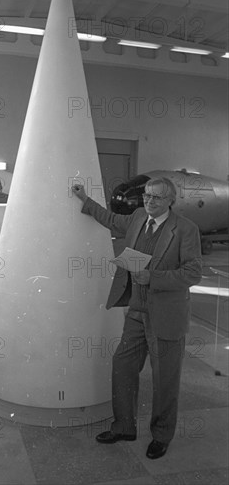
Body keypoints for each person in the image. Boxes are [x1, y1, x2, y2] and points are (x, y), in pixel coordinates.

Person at [72, 177, 202, 459]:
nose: (149, 201)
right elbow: (111, 219)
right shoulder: (138, 217)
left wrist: (152, 277)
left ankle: (161, 435)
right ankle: (124, 427)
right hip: (136, 312)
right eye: (146, 195)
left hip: (166, 316)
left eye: (156, 197)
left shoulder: (185, 230)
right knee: (122, 366)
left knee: (165, 380)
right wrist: (85, 200)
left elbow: (193, 273)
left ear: (170, 201)